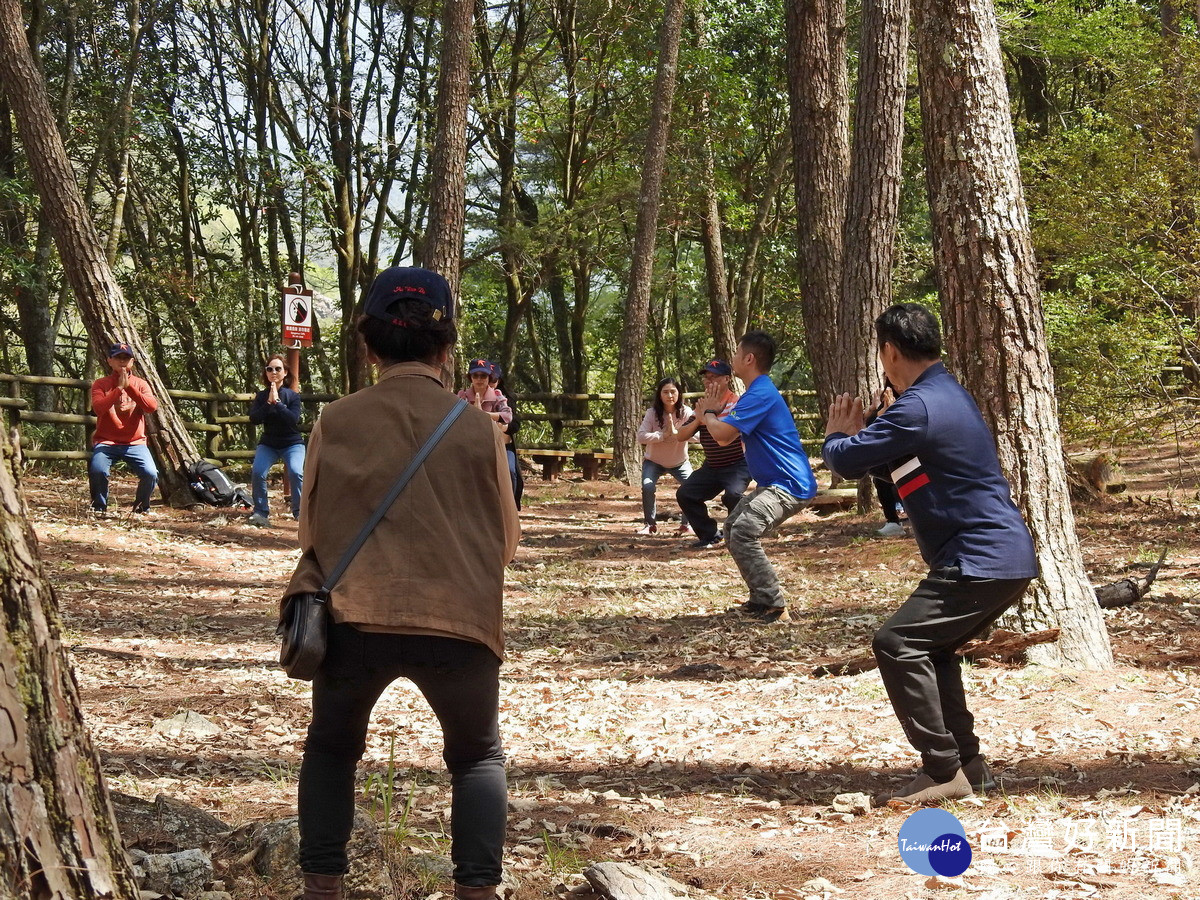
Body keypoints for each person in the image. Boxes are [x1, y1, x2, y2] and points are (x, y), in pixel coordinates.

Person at [285, 267, 520, 900]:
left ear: (369, 345)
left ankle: (322, 890)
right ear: (447, 349)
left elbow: (309, 530)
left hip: (354, 615)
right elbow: (507, 540)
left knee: (332, 749)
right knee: (475, 757)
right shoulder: (480, 429)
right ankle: (477, 892)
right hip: (460, 619)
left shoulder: (336, 419)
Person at [822, 303, 1038, 805]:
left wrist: (841, 433)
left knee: (897, 643)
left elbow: (847, 463)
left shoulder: (918, 406)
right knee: (932, 650)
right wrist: (877, 430)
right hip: (997, 557)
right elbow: (902, 473)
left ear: (890, 351)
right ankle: (968, 766)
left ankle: (942, 769)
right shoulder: (941, 395)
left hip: (979, 558)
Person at [694, 331, 817, 623]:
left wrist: (708, 414)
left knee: (744, 531)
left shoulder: (761, 393)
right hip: (774, 484)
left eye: (736, 352)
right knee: (733, 527)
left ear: (749, 358)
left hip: (789, 484)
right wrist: (710, 417)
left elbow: (723, 436)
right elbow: (725, 435)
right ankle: (760, 599)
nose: (733, 357)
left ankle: (774, 605)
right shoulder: (755, 393)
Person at [675, 359, 750, 550]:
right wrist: (699, 418)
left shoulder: (737, 404)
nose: (709, 382)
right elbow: (681, 435)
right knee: (686, 494)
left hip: (738, 464)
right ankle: (709, 536)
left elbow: (725, 436)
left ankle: (738, 536)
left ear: (727, 379)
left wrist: (708, 416)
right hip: (712, 465)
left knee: (733, 495)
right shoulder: (703, 404)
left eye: (714, 377)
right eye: (706, 378)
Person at [89, 342, 159, 515]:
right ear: (109, 361)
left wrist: (129, 387)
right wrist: (119, 389)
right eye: (118, 358)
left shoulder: (141, 384)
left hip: (135, 442)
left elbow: (151, 407)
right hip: (106, 441)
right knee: (97, 470)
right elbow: (98, 408)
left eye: (126, 358)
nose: (122, 362)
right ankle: (99, 507)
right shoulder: (100, 384)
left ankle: (141, 508)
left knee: (150, 473)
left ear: (132, 362)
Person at [247, 355, 305, 528]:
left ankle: (300, 512)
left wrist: (278, 403)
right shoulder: (261, 396)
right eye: (269, 369)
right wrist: (268, 403)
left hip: (292, 443)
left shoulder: (292, 396)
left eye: (278, 369)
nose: (274, 372)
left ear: (285, 372)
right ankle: (260, 512)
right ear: (266, 373)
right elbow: (254, 419)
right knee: (258, 472)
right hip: (269, 443)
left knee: (296, 472)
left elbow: (293, 419)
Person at [636, 376, 695, 535]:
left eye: (673, 392)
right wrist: (662, 435)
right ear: (660, 395)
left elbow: (699, 436)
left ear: (679, 393)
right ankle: (649, 524)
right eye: (666, 392)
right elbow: (641, 436)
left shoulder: (686, 413)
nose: (670, 395)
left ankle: (687, 524)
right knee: (648, 486)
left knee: (691, 486)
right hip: (653, 462)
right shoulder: (652, 413)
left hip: (680, 462)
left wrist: (679, 434)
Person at [490, 362, 523, 510]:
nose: (489, 383)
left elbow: (515, 423)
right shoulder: (467, 396)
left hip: (504, 445)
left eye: (493, 380)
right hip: (478, 445)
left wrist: (504, 427)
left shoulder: (506, 398)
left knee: (510, 470)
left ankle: (511, 506)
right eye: (483, 377)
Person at [458, 358, 513, 429]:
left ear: (489, 377)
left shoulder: (497, 395)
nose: (479, 379)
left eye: (483, 376)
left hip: (489, 437)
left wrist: (483, 415)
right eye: (475, 375)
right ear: (470, 377)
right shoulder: (463, 395)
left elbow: (508, 416)